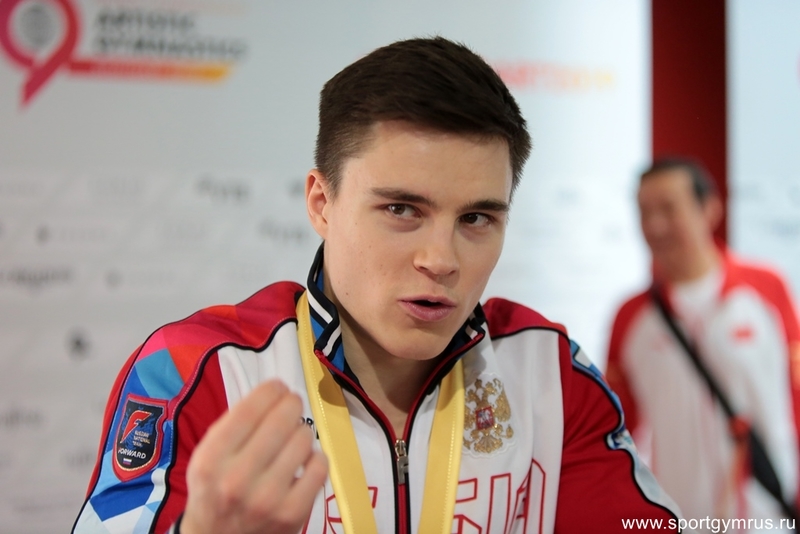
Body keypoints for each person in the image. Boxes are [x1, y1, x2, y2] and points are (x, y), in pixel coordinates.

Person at [73, 37, 681, 534]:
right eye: (401, 210)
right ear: (322, 203)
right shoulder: (203, 370)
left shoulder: (548, 373)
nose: (440, 260)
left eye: (476, 219)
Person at [606, 157, 800, 529]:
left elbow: (795, 398)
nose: (655, 225)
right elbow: (617, 431)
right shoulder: (631, 317)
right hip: (679, 519)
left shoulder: (767, 292)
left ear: (709, 209)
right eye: (644, 212)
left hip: (769, 519)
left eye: (668, 208)